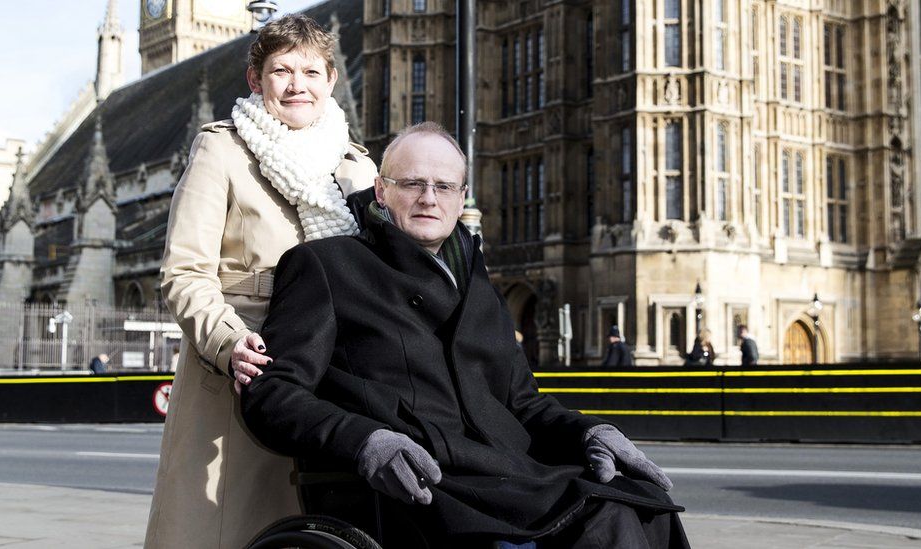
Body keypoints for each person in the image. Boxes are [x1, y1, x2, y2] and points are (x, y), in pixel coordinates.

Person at [242, 123, 690, 548]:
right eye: (412, 184)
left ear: (462, 200)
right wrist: (364, 440)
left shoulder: (477, 280)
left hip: (506, 475)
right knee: (606, 519)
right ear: (382, 190)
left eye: (443, 187)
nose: (428, 199)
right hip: (419, 486)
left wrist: (592, 431)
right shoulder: (327, 265)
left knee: (646, 502)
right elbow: (273, 393)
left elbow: (524, 404)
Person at [145, 15, 377, 549]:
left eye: (312, 72)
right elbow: (184, 272)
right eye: (282, 71)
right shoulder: (221, 151)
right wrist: (229, 343)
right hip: (243, 377)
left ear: (332, 80)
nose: (298, 85)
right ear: (256, 80)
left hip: (336, 384)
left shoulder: (356, 169)